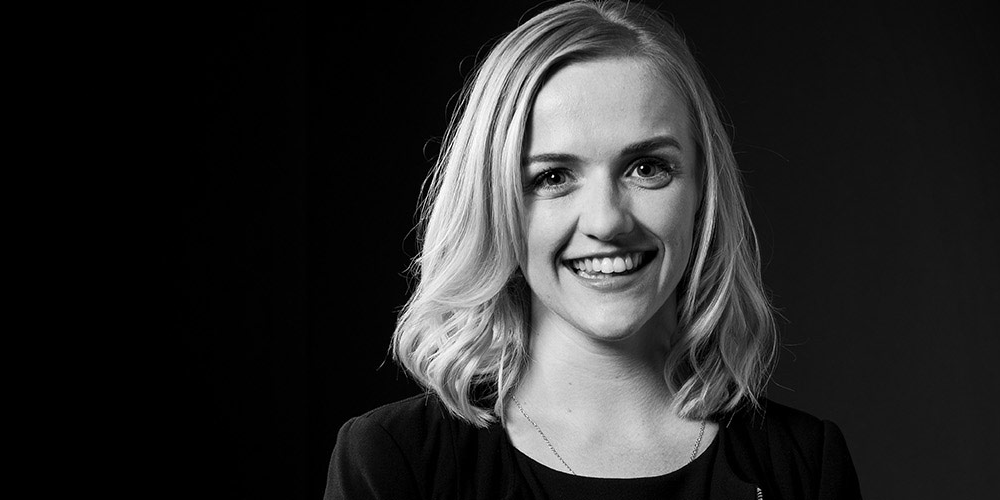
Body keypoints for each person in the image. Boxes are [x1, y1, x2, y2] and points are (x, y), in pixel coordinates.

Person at [324, 2, 860, 498]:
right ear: (496, 203)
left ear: (702, 189)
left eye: (647, 168)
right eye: (553, 176)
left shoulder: (804, 466)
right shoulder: (396, 461)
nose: (607, 221)